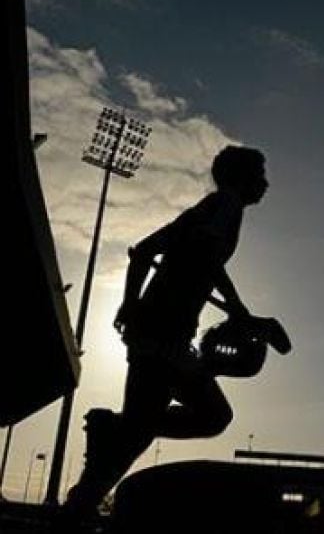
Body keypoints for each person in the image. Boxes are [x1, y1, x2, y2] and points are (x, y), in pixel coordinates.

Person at [59, 145, 269, 526]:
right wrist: (236, 306)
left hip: (159, 332)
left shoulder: (204, 210)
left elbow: (143, 252)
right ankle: (86, 489)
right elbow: (204, 257)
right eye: (261, 174)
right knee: (209, 417)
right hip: (163, 334)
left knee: (142, 431)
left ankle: (83, 496)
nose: (267, 184)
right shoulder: (226, 206)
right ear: (243, 177)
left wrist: (129, 302)